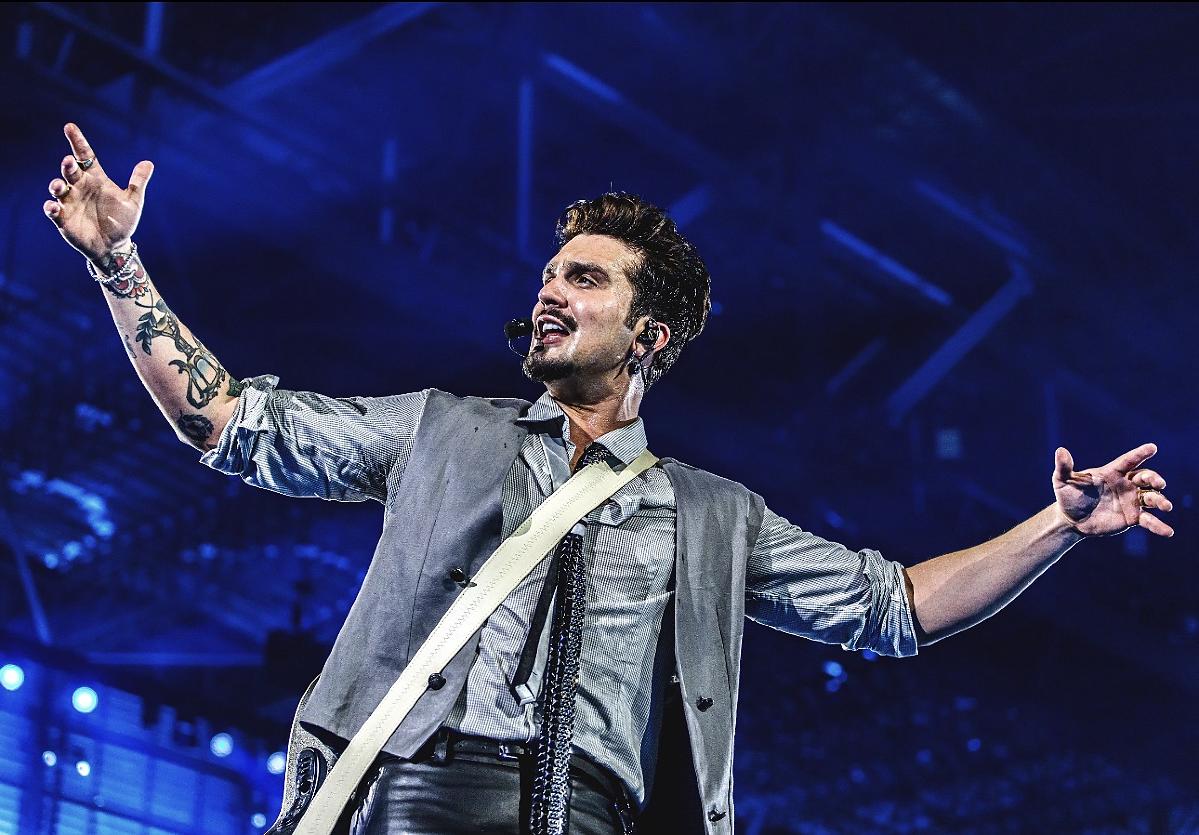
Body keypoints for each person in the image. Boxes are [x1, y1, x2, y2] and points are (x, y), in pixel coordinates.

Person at [43, 123, 1175, 835]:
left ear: (648, 335)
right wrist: (117, 261)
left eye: (583, 278)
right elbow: (227, 420)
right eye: (548, 273)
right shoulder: (439, 429)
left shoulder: (714, 516)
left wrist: (1055, 524)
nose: (549, 289)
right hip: (419, 794)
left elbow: (896, 605)